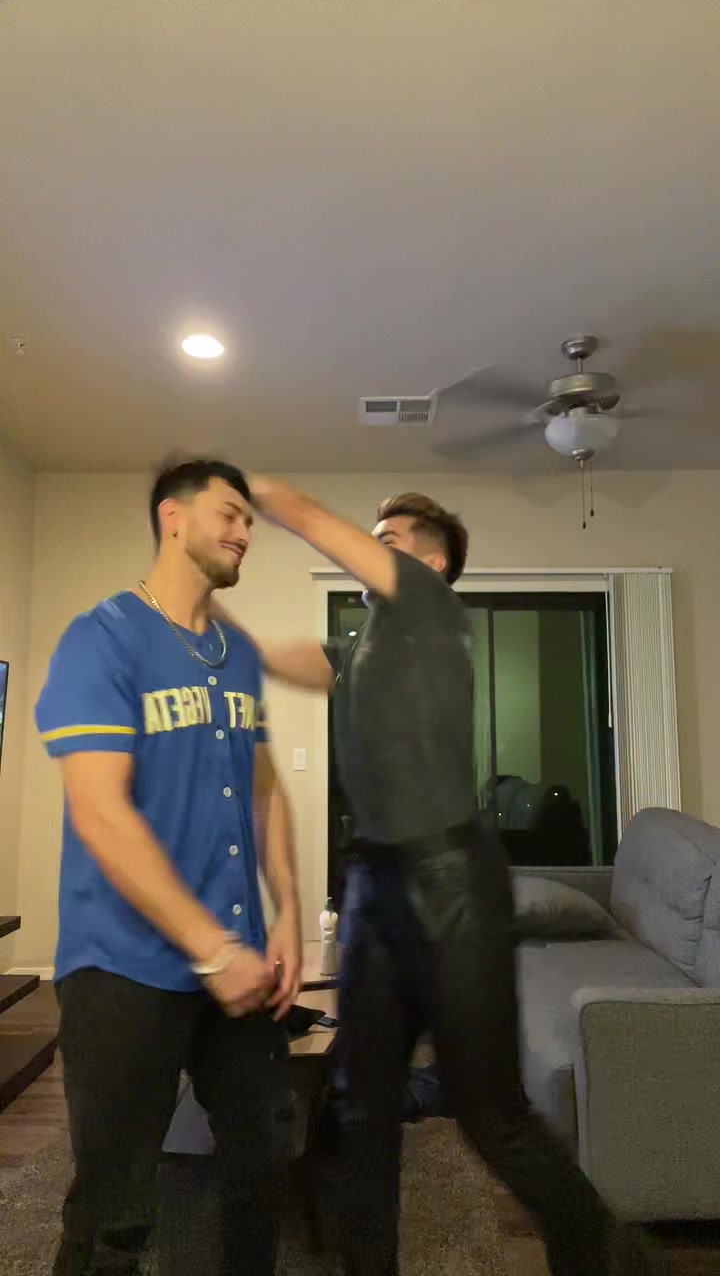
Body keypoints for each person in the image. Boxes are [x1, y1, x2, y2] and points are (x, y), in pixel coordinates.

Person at [233, 479, 667, 1276]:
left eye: (390, 539)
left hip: (449, 884)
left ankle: (612, 1261)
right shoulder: (371, 644)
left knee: (487, 1111)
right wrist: (226, 636)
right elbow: (305, 659)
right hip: (374, 885)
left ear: (432, 563)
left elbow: (321, 524)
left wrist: (254, 490)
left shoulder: (430, 607)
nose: (376, 548)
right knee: (361, 1110)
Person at [36, 458, 302, 1276]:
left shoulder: (239, 654)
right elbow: (101, 814)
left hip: (239, 962)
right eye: (229, 513)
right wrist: (211, 949)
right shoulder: (101, 638)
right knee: (115, 1207)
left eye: (250, 520)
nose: (245, 532)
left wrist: (288, 914)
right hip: (122, 964)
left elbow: (264, 789)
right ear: (173, 518)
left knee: (263, 1162)